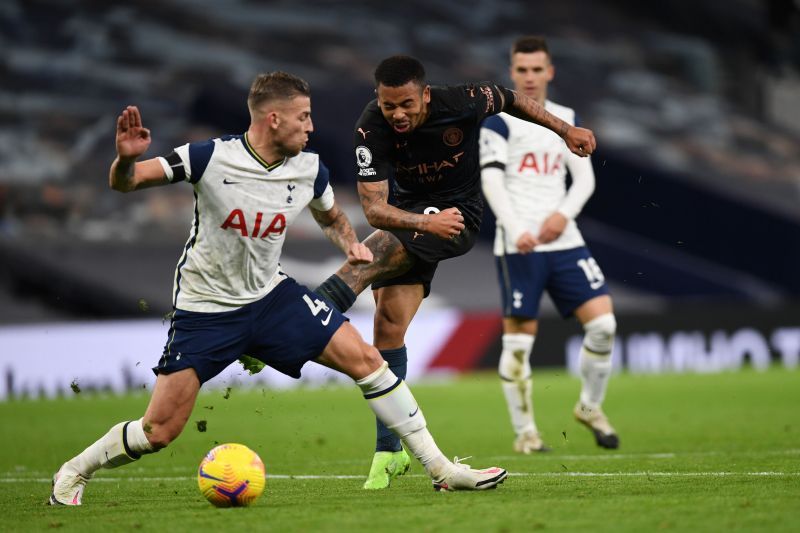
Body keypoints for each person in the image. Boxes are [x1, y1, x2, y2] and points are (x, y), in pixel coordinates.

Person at [47, 72, 508, 506]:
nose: (311, 127)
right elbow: (127, 183)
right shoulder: (207, 157)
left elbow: (330, 215)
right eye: (303, 117)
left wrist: (351, 244)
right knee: (158, 431)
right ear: (274, 118)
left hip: (272, 299)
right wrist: (126, 159)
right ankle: (75, 470)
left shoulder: (308, 168)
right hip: (206, 312)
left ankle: (441, 469)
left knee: (367, 360)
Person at [310, 55, 597, 489]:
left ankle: (299, 316)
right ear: (378, 100)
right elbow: (373, 208)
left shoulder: (462, 101)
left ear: (425, 94)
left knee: (367, 259)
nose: (398, 114)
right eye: (390, 106)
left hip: (459, 216)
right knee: (388, 327)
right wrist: (425, 221)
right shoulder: (370, 129)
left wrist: (565, 130)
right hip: (411, 220)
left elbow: (512, 99)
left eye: (407, 103)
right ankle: (389, 450)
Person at [478, 36, 619, 453]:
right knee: (519, 345)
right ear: (512, 72)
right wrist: (515, 227)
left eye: (537, 69)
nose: (530, 77)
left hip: (564, 240)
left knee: (604, 326)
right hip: (520, 245)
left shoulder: (565, 118)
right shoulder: (499, 120)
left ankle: (590, 407)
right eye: (522, 70)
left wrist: (563, 215)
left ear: (550, 72)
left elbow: (586, 179)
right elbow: (491, 179)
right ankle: (526, 434)